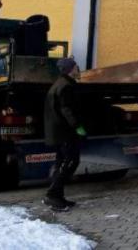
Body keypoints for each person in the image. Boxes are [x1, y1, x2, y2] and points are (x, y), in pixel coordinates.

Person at [43, 57, 87, 211]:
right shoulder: (65, 86)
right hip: (64, 132)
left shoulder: (60, 84)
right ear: (69, 69)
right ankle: (52, 195)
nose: (78, 69)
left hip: (59, 132)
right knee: (71, 161)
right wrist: (77, 126)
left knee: (62, 163)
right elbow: (67, 109)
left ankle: (58, 197)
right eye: (75, 67)